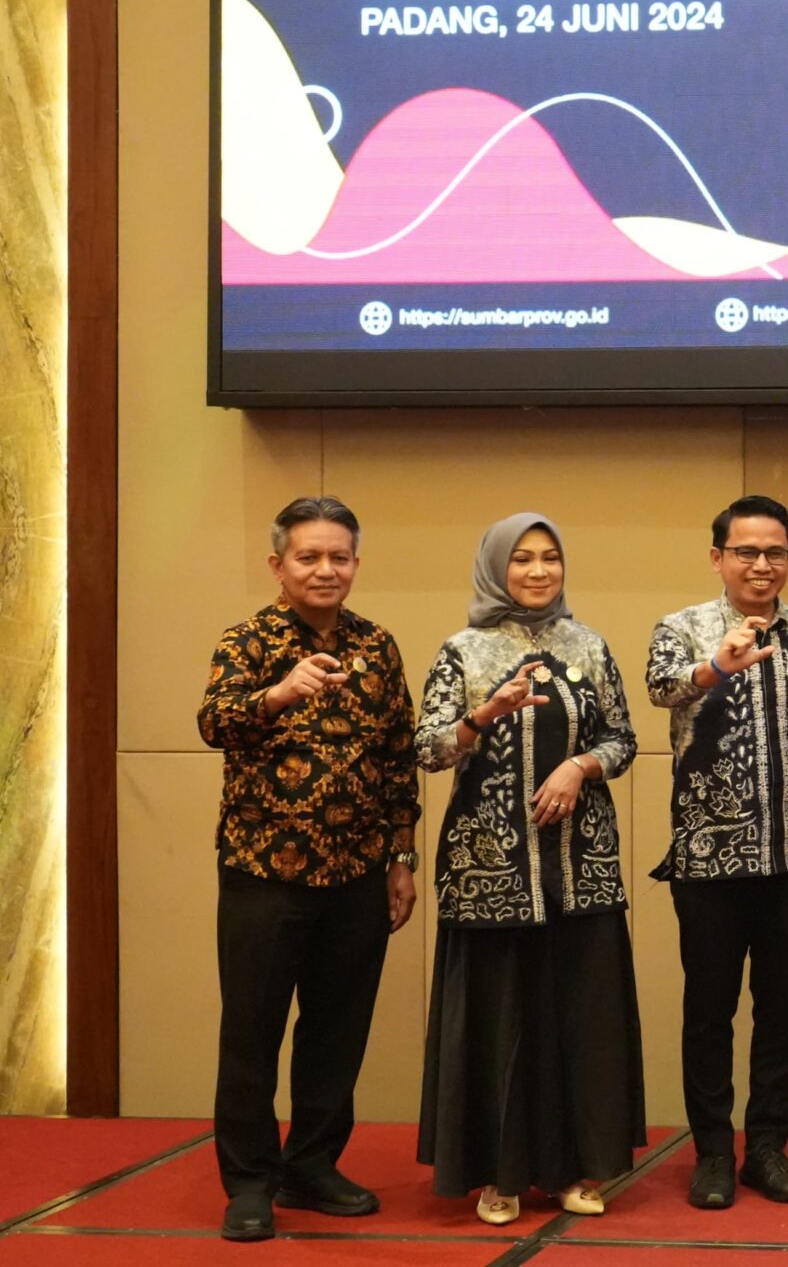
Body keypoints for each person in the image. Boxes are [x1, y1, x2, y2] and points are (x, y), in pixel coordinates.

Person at [197, 497, 419, 1243]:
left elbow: (398, 757)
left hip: (356, 873)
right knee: (252, 1032)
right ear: (279, 565)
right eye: (309, 557)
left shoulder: (376, 645)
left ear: (355, 563)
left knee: (337, 1031)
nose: (326, 569)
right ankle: (250, 1183)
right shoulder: (248, 640)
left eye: (339, 557)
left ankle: (313, 1165)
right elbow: (213, 722)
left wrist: (401, 857)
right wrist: (277, 694)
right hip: (262, 871)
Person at [415, 514, 646, 1226]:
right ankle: (500, 1174)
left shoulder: (589, 644)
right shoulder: (464, 650)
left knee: (582, 1018)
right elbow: (428, 750)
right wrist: (486, 713)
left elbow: (622, 737)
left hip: (581, 865)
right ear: (496, 568)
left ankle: (580, 1167)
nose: (539, 571)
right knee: (501, 1020)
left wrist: (581, 766)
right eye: (521, 559)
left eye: (550, 557)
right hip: (491, 870)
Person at [645, 496, 788, 1211]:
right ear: (718, 558)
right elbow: (661, 688)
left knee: (781, 1009)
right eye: (746, 552)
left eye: (775, 552)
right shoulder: (682, 628)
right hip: (708, 857)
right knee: (709, 1010)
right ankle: (712, 1152)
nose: (761, 565)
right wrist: (716, 666)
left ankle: (767, 1147)